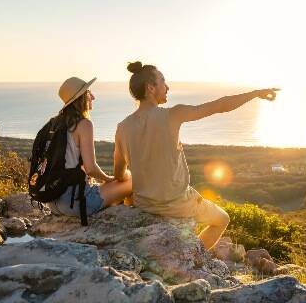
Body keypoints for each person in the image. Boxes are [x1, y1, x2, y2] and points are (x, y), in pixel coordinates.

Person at [114, 62, 279, 249]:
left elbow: (119, 174)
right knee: (223, 219)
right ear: (150, 88)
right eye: (163, 81)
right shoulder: (172, 114)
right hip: (178, 204)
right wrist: (256, 93)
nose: (167, 87)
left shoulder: (122, 127)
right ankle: (194, 253)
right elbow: (220, 105)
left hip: (143, 205)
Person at [45, 76, 133, 218]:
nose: (93, 97)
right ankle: (130, 215)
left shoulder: (56, 123)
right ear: (81, 98)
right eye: (89, 93)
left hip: (53, 201)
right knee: (131, 180)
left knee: (119, 180)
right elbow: (90, 168)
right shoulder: (84, 124)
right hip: (75, 203)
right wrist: (108, 178)